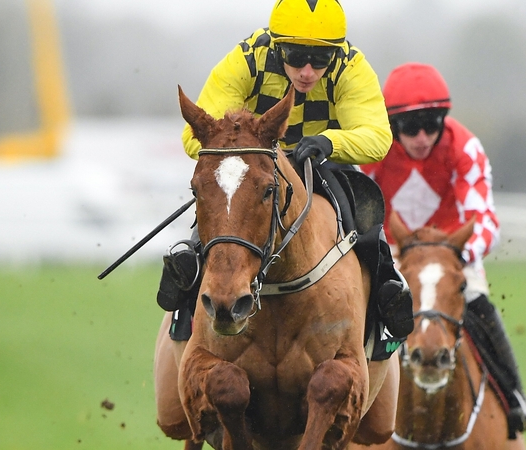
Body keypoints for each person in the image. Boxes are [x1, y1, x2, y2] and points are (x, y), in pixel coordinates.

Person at [157, 0, 414, 343]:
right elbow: (197, 138)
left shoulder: (351, 65)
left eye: (320, 59)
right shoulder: (248, 59)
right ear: (277, 48)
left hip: (322, 162)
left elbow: (378, 137)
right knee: (222, 213)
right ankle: (187, 302)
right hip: (253, 168)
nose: (308, 71)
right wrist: (245, 155)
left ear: (335, 54)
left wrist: (328, 142)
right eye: (295, 55)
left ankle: (385, 295)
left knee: (367, 219)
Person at [361, 62, 526, 438]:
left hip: (451, 258)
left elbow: (485, 220)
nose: (423, 136)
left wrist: (455, 254)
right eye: (411, 127)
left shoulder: (464, 147)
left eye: (432, 124)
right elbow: (356, 210)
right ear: (393, 125)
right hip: (390, 254)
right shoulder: (373, 146)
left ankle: (514, 397)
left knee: (479, 304)